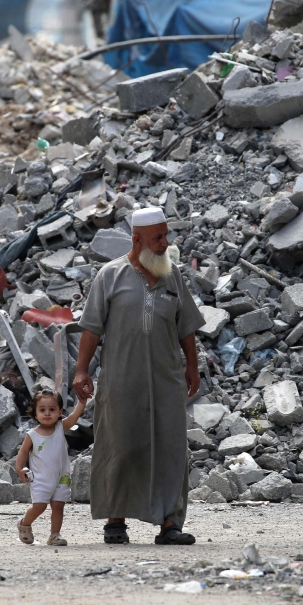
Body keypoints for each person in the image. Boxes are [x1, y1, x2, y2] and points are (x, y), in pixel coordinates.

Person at [73, 206, 206, 545]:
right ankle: (115, 522)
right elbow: (91, 328)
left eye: (165, 235)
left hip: (166, 378)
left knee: (171, 448)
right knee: (121, 445)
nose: (165, 243)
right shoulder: (110, 275)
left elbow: (186, 326)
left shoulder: (172, 274)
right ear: (137, 239)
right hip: (121, 379)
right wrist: (81, 370)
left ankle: (170, 524)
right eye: (158, 237)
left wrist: (192, 366)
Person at [14, 389, 87, 546]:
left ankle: (54, 535)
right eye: (42, 410)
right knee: (39, 506)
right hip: (41, 479)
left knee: (58, 506)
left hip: (62, 476)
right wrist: (19, 468)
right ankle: (24, 523)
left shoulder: (61, 427)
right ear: (35, 412)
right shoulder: (32, 434)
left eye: (52, 409)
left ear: (60, 411)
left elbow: (74, 416)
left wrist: (82, 400)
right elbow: (24, 451)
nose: (47, 413)